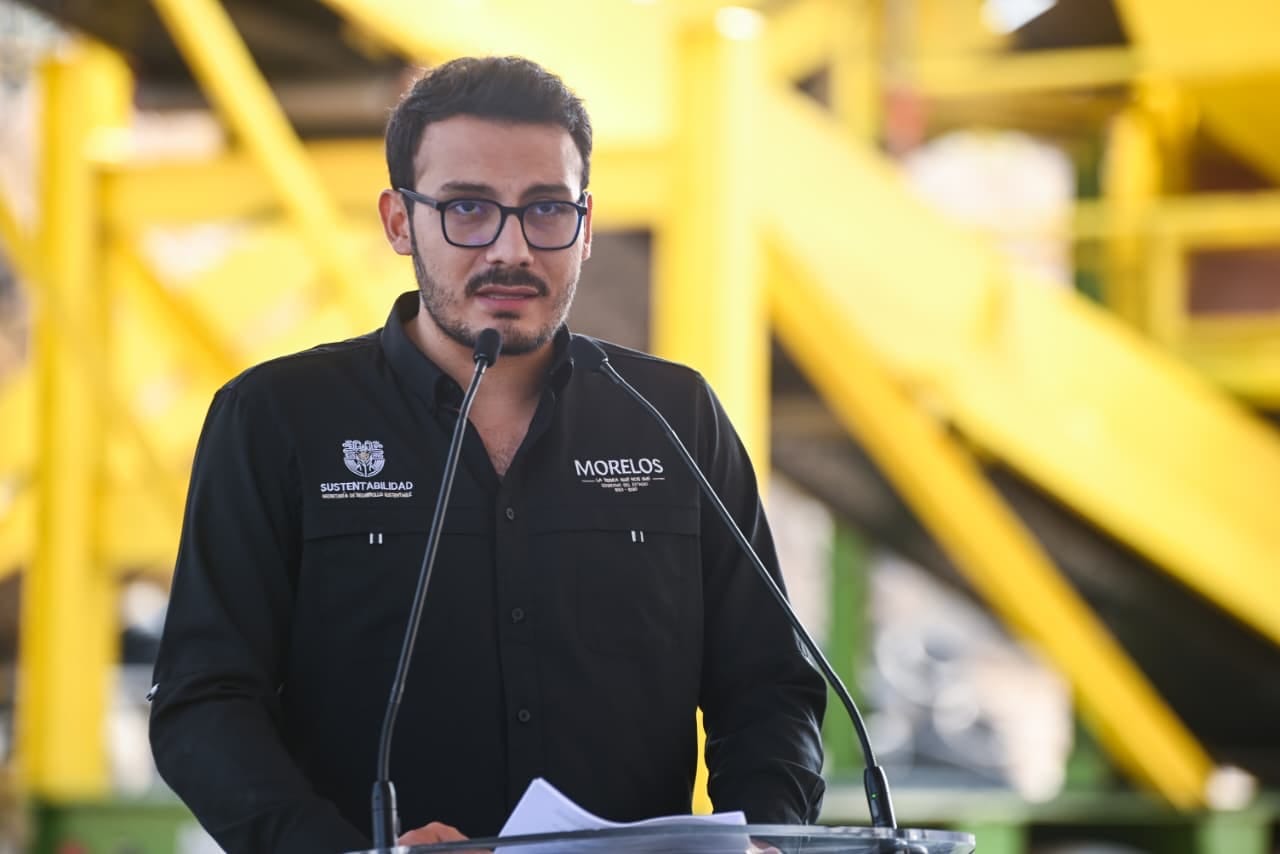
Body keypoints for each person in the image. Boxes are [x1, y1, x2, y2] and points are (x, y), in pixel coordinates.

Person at [149, 55, 826, 854]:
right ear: (399, 222)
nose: (512, 249)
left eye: (547, 210)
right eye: (467, 208)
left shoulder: (675, 418)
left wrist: (766, 837)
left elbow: (771, 688)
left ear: (585, 224)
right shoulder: (277, 418)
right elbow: (204, 702)